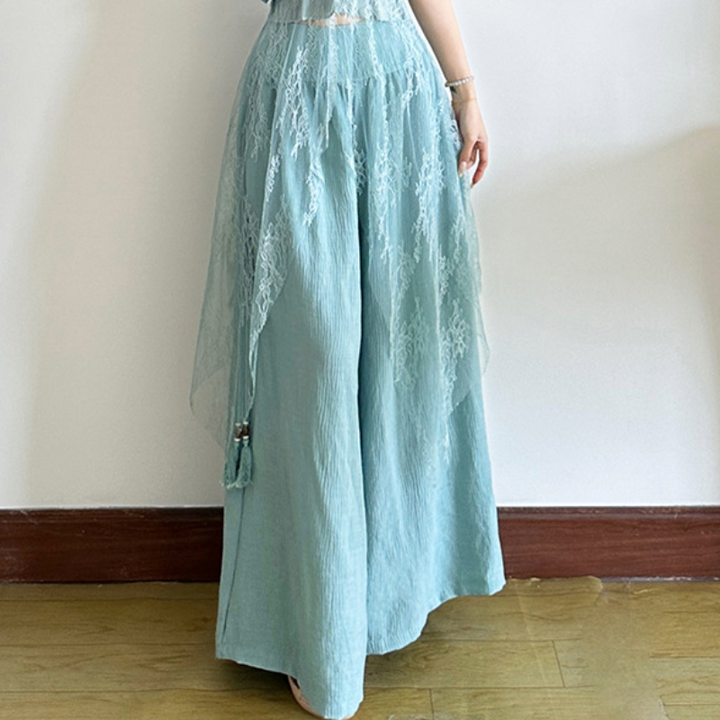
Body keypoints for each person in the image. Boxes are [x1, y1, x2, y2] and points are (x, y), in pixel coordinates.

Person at [189, 0, 506, 718]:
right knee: (314, 364)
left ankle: (391, 595)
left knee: (402, 353)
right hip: (294, 95)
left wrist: (464, 90)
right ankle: (324, 635)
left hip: (397, 94)